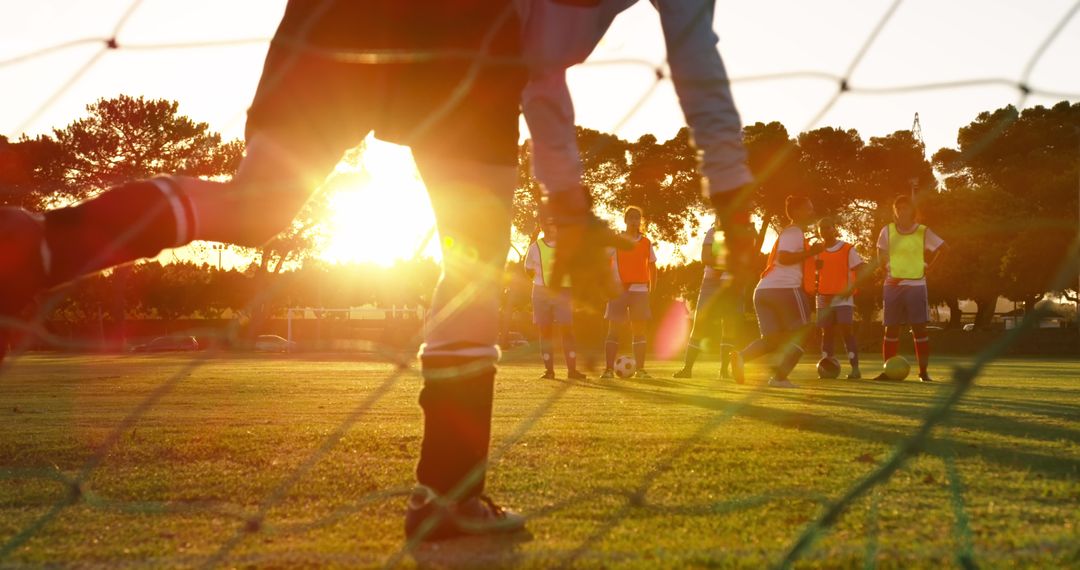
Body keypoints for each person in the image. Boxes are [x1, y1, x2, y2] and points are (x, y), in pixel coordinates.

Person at [0, 1, 526, 542]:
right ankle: (450, 494)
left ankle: (37, 247)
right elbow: (550, 62)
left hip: (343, 17)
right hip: (471, 34)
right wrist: (569, 202)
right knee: (476, 267)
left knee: (254, 207)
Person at [519, 0, 758, 298]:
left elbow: (693, 50)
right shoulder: (519, 30)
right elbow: (538, 71)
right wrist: (568, 205)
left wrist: (729, 187)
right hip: (472, 66)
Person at [731, 195, 823, 388]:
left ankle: (740, 357)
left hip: (763, 290)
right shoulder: (794, 231)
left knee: (771, 341)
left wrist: (812, 260)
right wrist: (812, 253)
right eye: (808, 208)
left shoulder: (791, 233)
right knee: (805, 332)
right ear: (797, 212)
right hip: (784, 289)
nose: (812, 212)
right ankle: (779, 378)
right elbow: (785, 258)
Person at [874, 195, 947, 382]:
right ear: (895, 212)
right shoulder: (887, 230)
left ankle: (923, 372)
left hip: (916, 285)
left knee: (919, 329)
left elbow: (944, 249)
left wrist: (931, 269)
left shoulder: (922, 231)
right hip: (892, 285)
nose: (902, 211)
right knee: (890, 329)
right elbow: (880, 252)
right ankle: (888, 371)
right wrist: (884, 267)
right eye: (898, 208)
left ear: (912, 211)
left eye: (906, 207)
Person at [673, 218, 743, 379]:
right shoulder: (713, 233)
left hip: (732, 283)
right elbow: (706, 258)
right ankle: (687, 369)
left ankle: (724, 371)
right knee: (699, 324)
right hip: (711, 283)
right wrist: (727, 264)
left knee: (729, 325)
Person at [524, 217, 586, 380]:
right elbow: (528, 269)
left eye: (554, 223)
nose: (551, 227)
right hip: (540, 292)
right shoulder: (535, 247)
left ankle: (572, 371)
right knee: (545, 332)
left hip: (563, 292)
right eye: (547, 223)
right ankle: (549, 371)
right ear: (542, 225)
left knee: (567, 330)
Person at [600, 206, 656, 379]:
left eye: (637, 218)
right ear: (625, 220)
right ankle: (608, 369)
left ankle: (640, 370)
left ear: (641, 221)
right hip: (618, 290)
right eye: (631, 217)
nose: (634, 221)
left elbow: (652, 266)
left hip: (640, 290)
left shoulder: (646, 242)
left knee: (639, 331)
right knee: (613, 330)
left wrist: (651, 288)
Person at [814, 216, 866, 379]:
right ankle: (826, 369)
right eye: (821, 228)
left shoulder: (847, 248)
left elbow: (861, 267)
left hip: (843, 298)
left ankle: (855, 369)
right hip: (823, 298)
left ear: (834, 229)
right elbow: (813, 274)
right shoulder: (816, 250)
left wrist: (851, 288)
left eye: (828, 227)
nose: (825, 231)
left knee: (846, 332)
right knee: (826, 333)